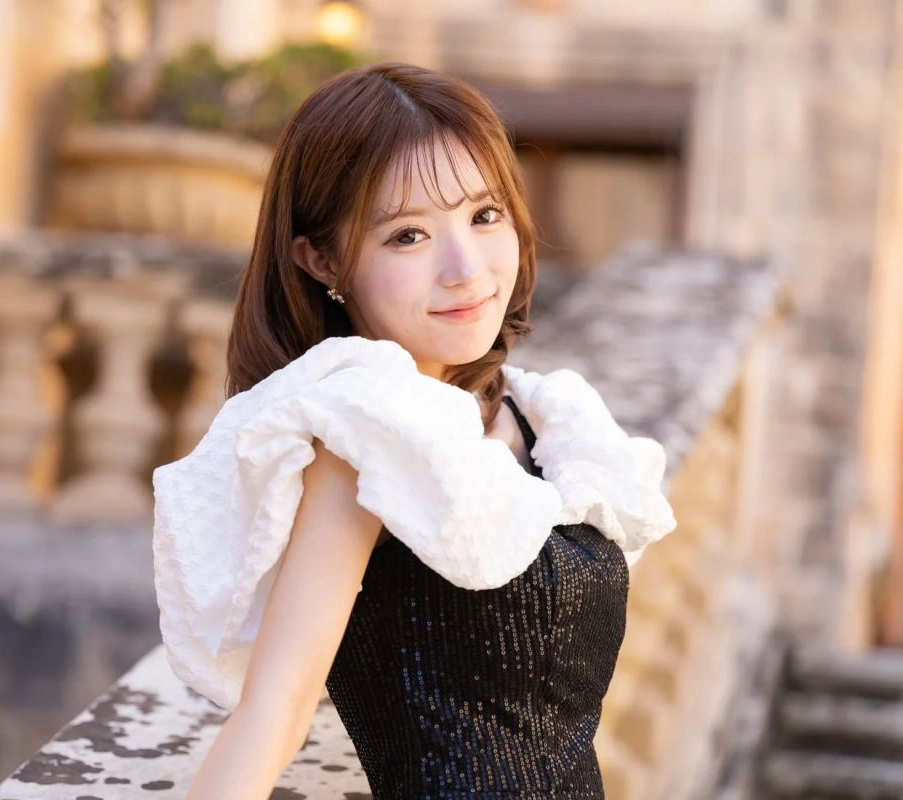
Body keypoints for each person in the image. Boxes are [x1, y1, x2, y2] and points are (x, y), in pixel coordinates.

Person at [152, 62, 677, 799]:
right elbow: (277, 708)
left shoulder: (533, 418)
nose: (465, 269)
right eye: (408, 235)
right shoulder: (360, 442)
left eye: (484, 216)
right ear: (324, 261)